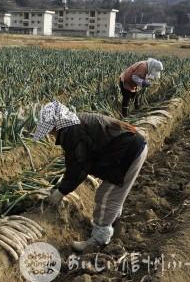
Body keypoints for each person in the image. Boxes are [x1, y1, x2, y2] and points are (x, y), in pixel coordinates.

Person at [33, 101, 148, 252]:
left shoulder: (73, 132)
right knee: (112, 195)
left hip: (128, 154)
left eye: (50, 130)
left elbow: (79, 166)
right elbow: (76, 161)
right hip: (128, 150)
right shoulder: (74, 125)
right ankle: (110, 223)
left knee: (107, 196)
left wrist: (61, 191)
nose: (50, 134)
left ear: (56, 125)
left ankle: (98, 240)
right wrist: (62, 187)